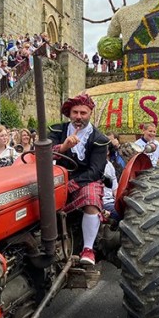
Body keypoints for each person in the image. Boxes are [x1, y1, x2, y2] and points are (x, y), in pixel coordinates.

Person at [48, 94, 110, 265]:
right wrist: (63, 147)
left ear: (90, 114)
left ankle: (88, 250)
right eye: (75, 112)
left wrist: (72, 184)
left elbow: (96, 171)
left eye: (83, 113)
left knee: (91, 198)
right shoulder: (57, 131)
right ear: (69, 113)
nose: (79, 117)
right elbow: (40, 154)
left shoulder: (99, 139)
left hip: (86, 180)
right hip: (55, 179)